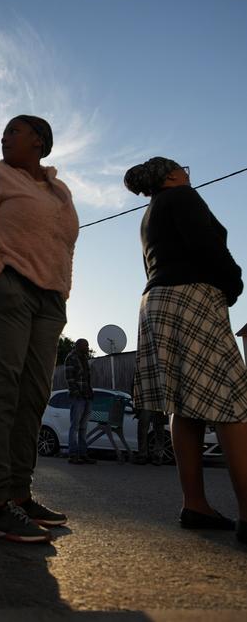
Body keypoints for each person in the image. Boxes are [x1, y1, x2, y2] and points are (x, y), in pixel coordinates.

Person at [0, 115, 79, 543]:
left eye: (14, 130)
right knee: (2, 387)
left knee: (33, 396)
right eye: (4, 130)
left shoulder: (59, 191)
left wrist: (62, 293)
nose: (4, 136)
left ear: (39, 142)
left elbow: (65, 244)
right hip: (5, 288)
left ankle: (20, 495)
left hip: (48, 301)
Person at [124, 156, 247, 544]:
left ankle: (195, 504)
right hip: (192, 295)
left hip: (157, 301)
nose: (190, 177)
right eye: (187, 171)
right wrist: (234, 283)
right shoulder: (183, 198)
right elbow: (207, 245)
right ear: (174, 175)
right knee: (233, 401)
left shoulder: (151, 213)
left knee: (186, 404)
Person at [65, 338, 97, 465]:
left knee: (83, 427)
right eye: (86, 345)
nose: (88, 348)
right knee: (75, 426)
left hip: (87, 396)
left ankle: (83, 454)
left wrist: (90, 392)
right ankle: (73, 455)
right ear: (78, 346)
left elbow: (87, 379)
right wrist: (76, 393)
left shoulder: (84, 358)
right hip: (77, 398)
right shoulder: (71, 358)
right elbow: (69, 378)